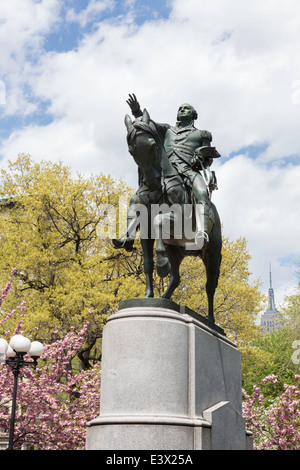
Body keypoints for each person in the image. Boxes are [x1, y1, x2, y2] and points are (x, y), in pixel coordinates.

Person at [113, 94, 220, 250]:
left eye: (186, 108)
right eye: (180, 109)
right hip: (166, 171)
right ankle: (129, 235)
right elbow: (149, 125)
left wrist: (201, 158)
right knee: (139, 196)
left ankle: (202, 232)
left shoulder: (202, 134)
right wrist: (136, 111)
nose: (183, 110)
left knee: (201, 190)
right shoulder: (168, 130)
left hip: (189, 170)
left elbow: (208, 158)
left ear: (193, 115)